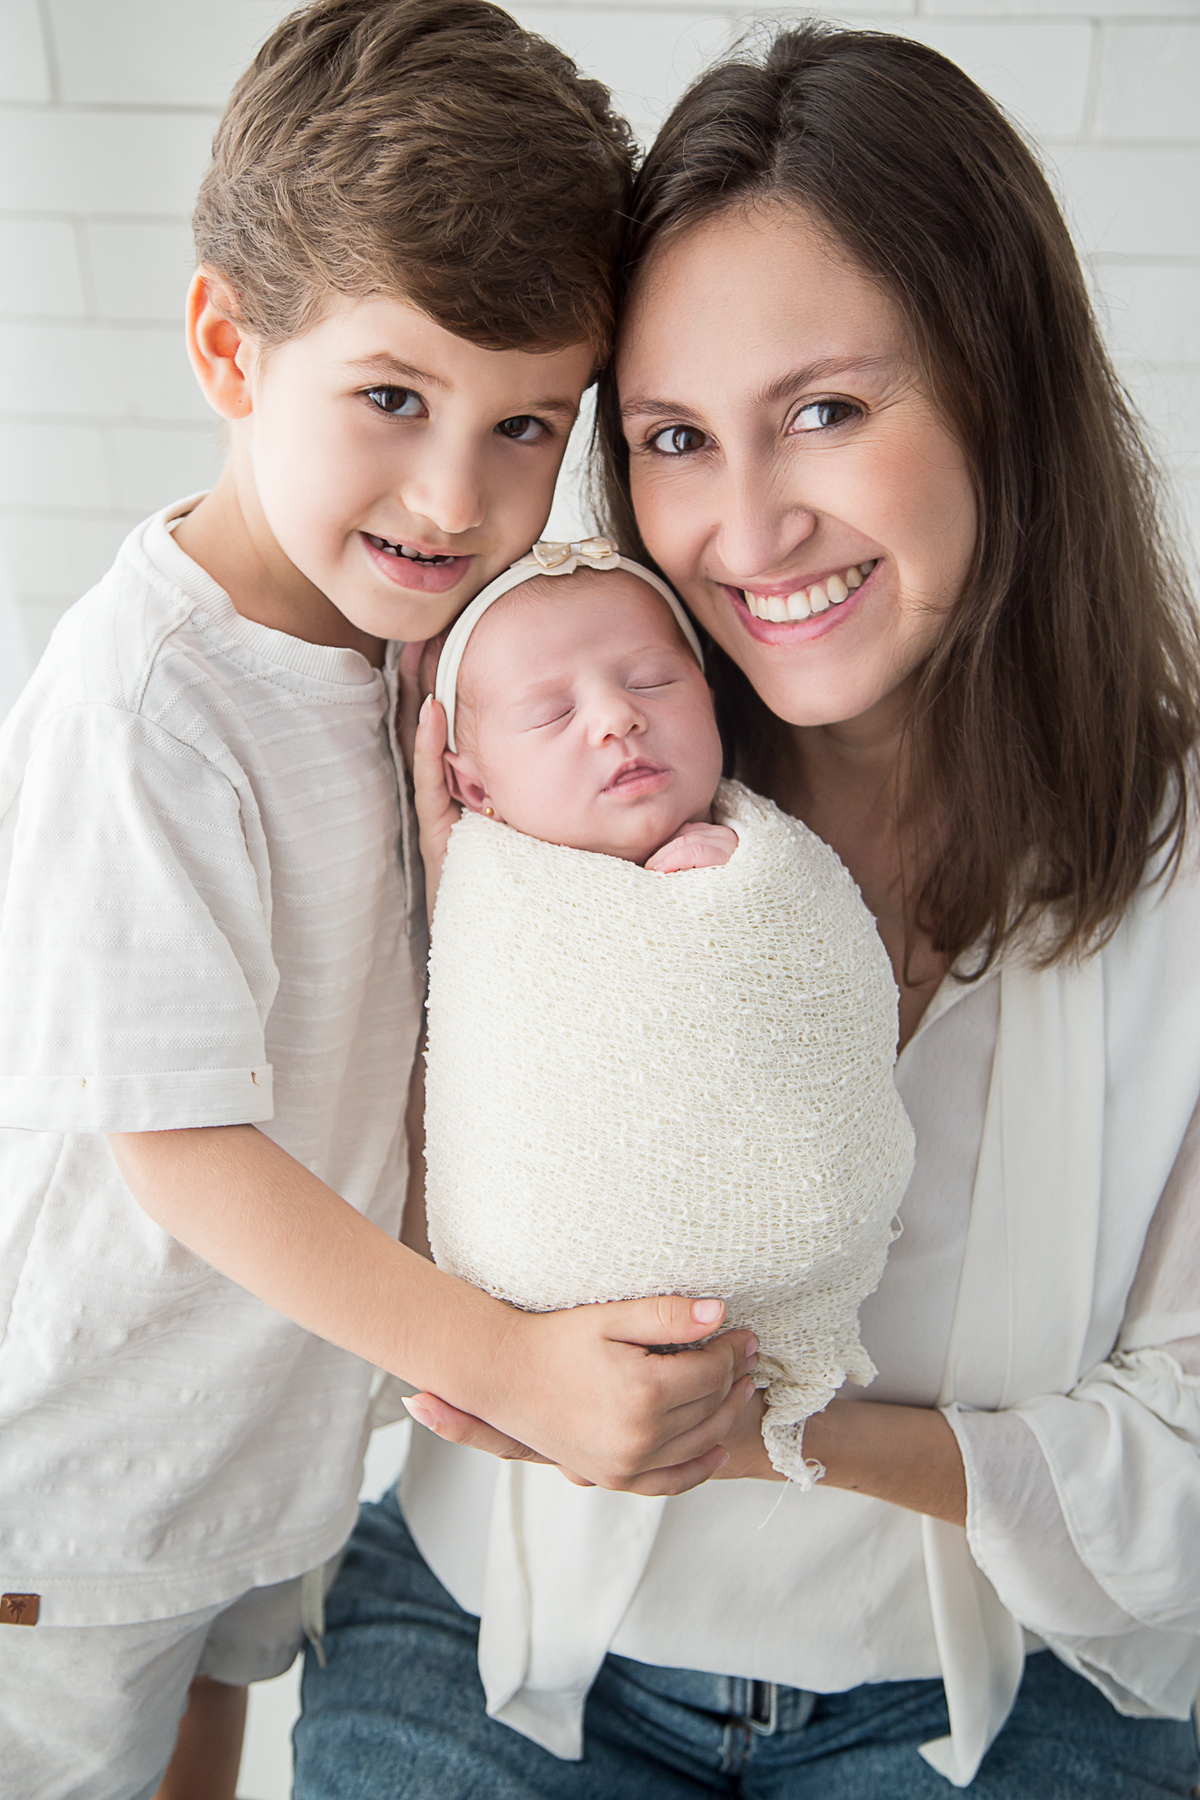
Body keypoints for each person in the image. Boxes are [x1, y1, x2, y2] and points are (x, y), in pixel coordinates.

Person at [295, 21, 1200, 1799]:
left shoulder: (1171, 862)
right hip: (499, 1626)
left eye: (827, 413)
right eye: (676, 439)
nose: (750, 529)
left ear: (1003, 390)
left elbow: (1182, 1458)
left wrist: (771, 1433)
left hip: (981, 1687)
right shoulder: (518, 776)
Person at [0, 7, 759, 1799]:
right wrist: (509, 1359)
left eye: (524, 423)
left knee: (209, 1742)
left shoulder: (412, 648)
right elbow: (179, 1147)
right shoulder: (151, 699)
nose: (454, 494)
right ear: (229, 346)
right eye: (393, 399)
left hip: (268, 1440)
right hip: (84, 1476)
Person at [418, 540, 913, 1744]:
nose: (615, 721)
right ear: (474, 786)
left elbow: (830, 1011)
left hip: (854, 1602)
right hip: (509, 1434)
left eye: (651, 682)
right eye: (551, 713)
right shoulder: (489, 886)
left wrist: (736, 898)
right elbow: (477, 1069)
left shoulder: (763, 859)